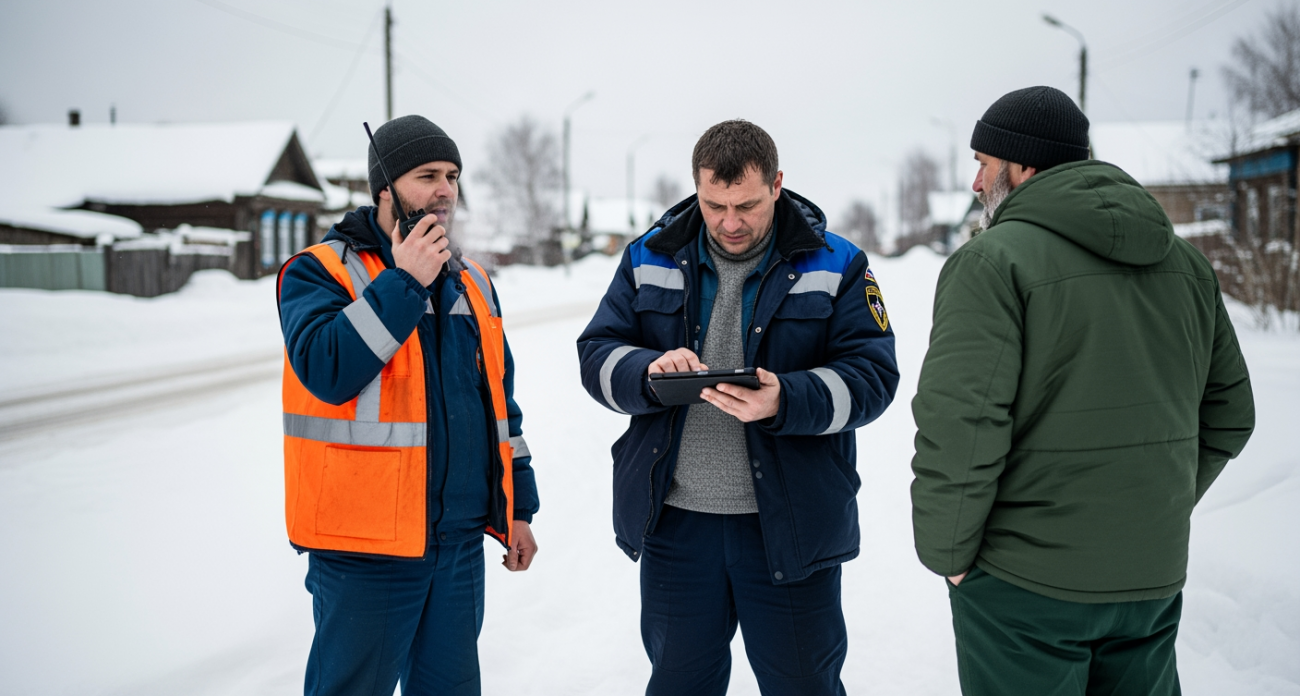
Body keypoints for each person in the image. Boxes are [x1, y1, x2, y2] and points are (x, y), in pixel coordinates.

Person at [910, 86, 1255, 696]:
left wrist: (951, 557)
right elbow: (1230, 415)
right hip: (1149, 580)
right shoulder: (1186, 264)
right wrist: (1151, 512)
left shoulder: (992, 263)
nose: (975, 183)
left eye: (984, 164)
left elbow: (961, 423)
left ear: (1024, 166)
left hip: (1024, 587)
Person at [577, 119, 899, 695]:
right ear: (696, 188)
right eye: (713, 204)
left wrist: (787, 399)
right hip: (676, 529)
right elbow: (595, 354)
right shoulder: (647, 255)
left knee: (805, 686)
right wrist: (645, 374)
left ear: (778, 184)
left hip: (791, 528)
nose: (729, 222)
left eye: (746, 205)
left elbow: (873, 376)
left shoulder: (837, 264)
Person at [277, 115, 539, 696]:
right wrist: (404, 283)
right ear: (385, 188)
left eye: (452, 175)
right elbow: (327, 369)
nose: (446, 190)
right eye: (427, 176)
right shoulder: (319, 271)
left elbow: (501, 407)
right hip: (366, 549)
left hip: (458, 545)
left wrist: (519, 506)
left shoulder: (472, 281)